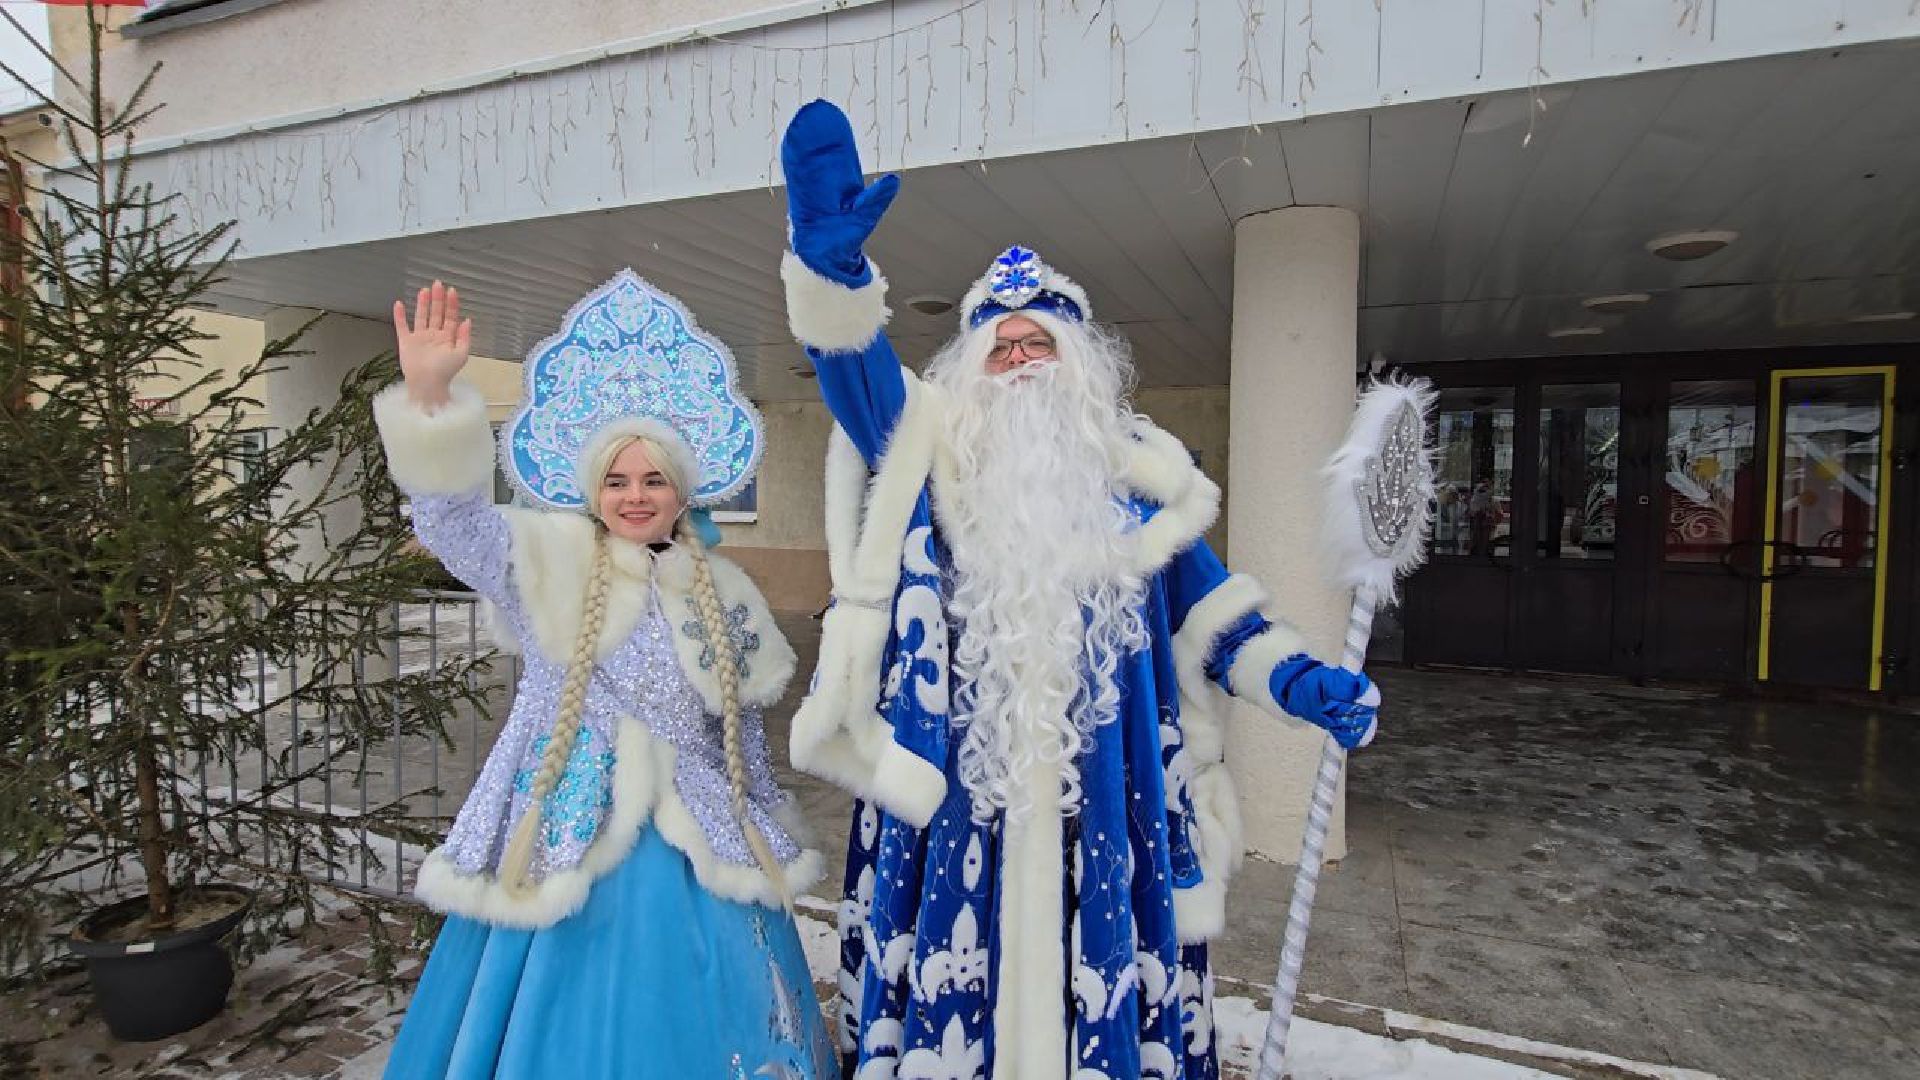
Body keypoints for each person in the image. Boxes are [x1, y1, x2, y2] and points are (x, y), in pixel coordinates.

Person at [776, 101, 1382, 1080]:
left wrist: (1305, 684)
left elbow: (1220, 622)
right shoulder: (932, 466)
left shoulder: (1144, 495)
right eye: (1001, 350)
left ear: (1080, 366)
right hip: (957, 822)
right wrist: (833, 274)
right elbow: (860, 379)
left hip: (1111, 804)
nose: (1020, 364)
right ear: (969, 376)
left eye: (1038, 345)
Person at [374, 281, 836, 1078]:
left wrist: (761, 826)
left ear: (682, 492)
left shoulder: (722, 589)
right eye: (617, 481)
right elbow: (451, 523)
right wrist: (429, 401)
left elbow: (738, 734)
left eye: (653, 480)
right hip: (563, 826)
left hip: (700, 828)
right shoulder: (545, 559)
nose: (634, 496)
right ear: (592, 491)